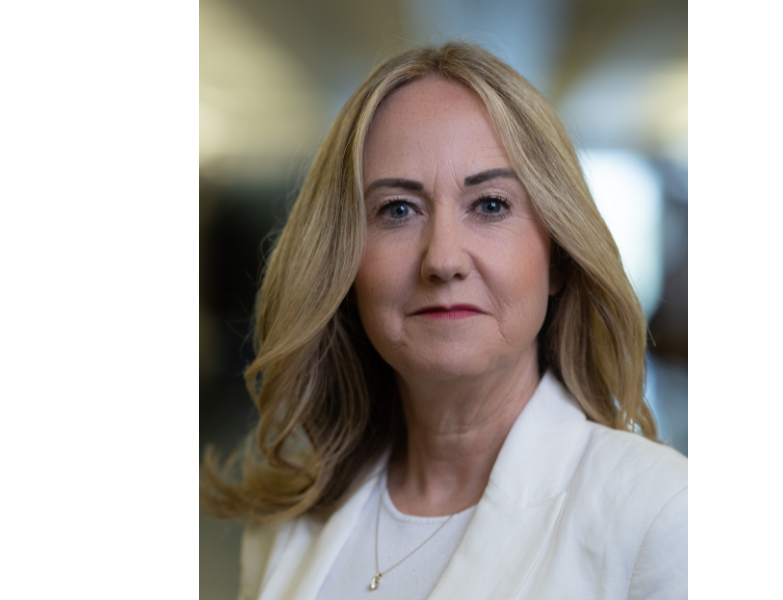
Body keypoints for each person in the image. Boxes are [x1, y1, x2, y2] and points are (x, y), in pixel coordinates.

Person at [201, 41, 687, 600]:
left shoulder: (661, 517)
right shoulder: (285, 526)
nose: (443, 260)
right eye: (398, 210)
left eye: (490, 205)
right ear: (344, 263)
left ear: (557, 258)